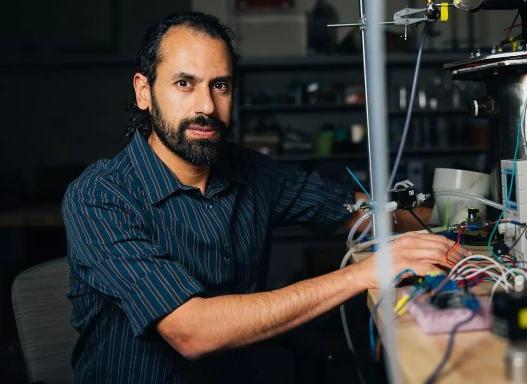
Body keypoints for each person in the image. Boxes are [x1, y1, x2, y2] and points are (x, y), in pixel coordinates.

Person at [62, 12, 455, 383]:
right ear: (144, 91)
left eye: (220, 85)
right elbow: (192, 331)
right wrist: (365, 273)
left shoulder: (252, 172)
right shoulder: (100, 197)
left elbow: (354, 211)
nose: (206, 107)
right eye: (185, 83)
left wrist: (456, 218)